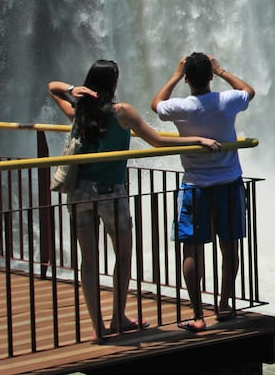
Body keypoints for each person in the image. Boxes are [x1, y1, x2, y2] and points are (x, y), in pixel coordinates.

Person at [49, 59, 220, 341]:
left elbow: (52, 88)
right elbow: (157, 141)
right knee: (124, 254)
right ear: (113, 84)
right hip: (111, 193)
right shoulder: (122, 112)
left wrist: (73, 89)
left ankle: (100, 328)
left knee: (88, 261)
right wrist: (197, 140)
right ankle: (118, 317)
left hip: (79, 192)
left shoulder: (80, 111)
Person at [151, 53, 255, 333]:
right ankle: (223, 304)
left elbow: (155, 104)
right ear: (209, 76)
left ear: (187, 79)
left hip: (195, 186)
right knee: (229, 245)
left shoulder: (181, 108)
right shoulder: (226, 101)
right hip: (229, 184)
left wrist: (174, 74)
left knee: (192, 250)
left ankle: (197, 314)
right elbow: (248, 91)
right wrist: (221, 70)